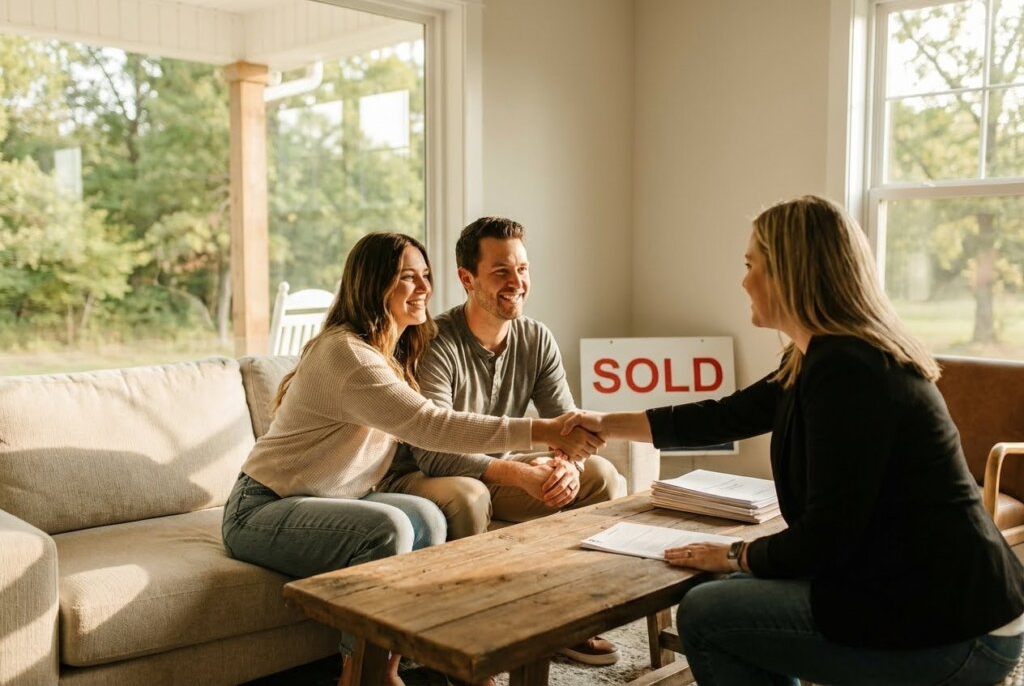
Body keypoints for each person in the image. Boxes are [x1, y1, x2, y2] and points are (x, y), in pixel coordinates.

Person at [561, 196, 1024, 685]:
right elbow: (724, 416)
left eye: (751, 265)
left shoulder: (848, 369)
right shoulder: (820, 356)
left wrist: (735, 553)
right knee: (740, 588)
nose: (743, 281)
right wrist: (605, 423)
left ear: (790, 271)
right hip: (937, 597)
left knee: (707, 610)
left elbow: (828, 534)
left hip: (957, 631)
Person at [221, 232, 602, 686]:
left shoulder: (393, 351)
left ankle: (393, 665)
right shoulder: (348, 355)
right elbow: (432, 425)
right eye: (408, 278)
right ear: (374, 285)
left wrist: (564, 456)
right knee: (390, 528)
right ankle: (359, 672)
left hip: (339, 499)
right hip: (261, 506)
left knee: (428, 517)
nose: (424, 287)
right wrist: (541, 431)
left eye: (425, 276)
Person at [379, 217, 623, 670]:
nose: (518, 283)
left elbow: (564, 427)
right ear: (466, 279)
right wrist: (520, 474)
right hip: (425, 475)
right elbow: (433, 448)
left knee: (602, 479)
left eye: (523, 269)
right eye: (501, 272)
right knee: (468, 495)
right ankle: (466, 649)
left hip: (500, 466)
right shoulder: (434, 341)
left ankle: (569, 621)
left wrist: (565, 467)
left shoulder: (536, 338)